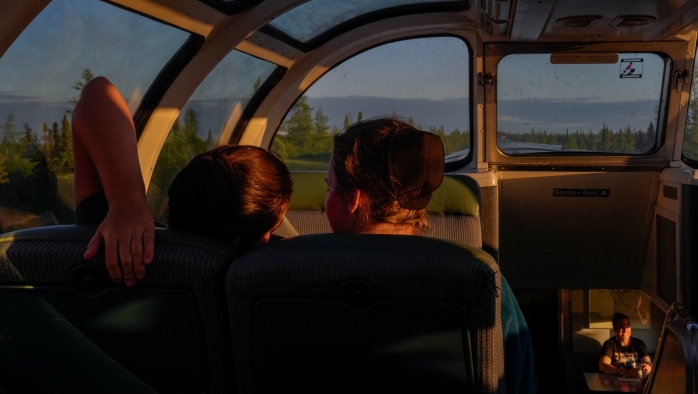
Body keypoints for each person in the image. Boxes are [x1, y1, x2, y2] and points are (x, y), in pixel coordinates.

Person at [324, 117, 537, 393]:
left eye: (329, 188)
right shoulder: (483, 282)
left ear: (353, 198)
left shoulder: (298, 272)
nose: (327, 198)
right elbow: (520, 382)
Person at [73, 76, 292, 286]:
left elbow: (97, 92)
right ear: (278, 215)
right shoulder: (292, 271)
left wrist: (127, 205)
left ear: (175, 197)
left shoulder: (117, 246)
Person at [598, 312, 652, 378]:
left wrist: (647, 367)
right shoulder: (610, 344)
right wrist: (627, 372)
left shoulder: (639, 343)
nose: (625, 329)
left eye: (627, 326)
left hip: (636, 381)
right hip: (616, 380)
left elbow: (648, 363)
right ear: (615, 329)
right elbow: (603, 366)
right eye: (621, 326)